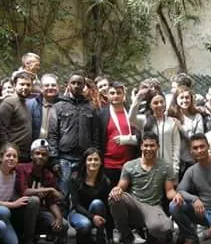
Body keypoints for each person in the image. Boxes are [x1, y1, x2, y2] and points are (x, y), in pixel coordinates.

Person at [108, 132, 177, 244]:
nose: (148, 148)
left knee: (164, 228)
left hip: (153, 207)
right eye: (146, 145)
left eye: (152, 145)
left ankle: (152, 235)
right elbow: (121, 187)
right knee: (115, 197)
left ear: (158, 147)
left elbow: (169, 191)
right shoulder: (129, 165)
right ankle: (127, 237)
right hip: (134, 205)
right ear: (141, 146)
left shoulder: (166, 167)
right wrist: (116, 190)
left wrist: (178, 195)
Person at [48, 71, 101, 214]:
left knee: (80, 195)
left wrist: (95, 154)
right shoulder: (58, 106)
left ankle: (80, 222)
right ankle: (62, 222)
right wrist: (54, 159)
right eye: (73, 83)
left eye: (79, 83)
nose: (76, 86)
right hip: (64, 157)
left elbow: (96, 134)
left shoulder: (91, 108)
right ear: (68, 85)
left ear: (84, 86)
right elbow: (52, 134)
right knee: (62, 194)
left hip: (84, 159)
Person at [0, 143, 41, 244]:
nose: (11, 158)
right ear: (1, 157)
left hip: (6, 211)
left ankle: (21, 238)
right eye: (8, 155)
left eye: (14, 156)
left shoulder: (14, 174)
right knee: (3, 211)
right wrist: (14, 204)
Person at [16, 139, 69, 244]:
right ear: (31, 155)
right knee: (34, 200)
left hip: (39, 213)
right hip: (20, 211)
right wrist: (48, 189)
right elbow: (24, 191)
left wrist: (58, 217)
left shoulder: (48, 175)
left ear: (47, 158)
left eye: (44, 154)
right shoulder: (22, 169)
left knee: (63, 225)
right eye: (37, 153)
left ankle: (41, 234)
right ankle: (28, 240)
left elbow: (51, 201)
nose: (40, 156)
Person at [130, 88, 181, 178]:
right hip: (149, 169)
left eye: (162, 102)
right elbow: (131, 118)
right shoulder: (144, 120)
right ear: (150, 105)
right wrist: (138, 97)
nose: (159, 105)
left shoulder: (172, 122)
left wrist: (175, 169)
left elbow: (176, 147)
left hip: (168, 169)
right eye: (156, 103)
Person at [69, 148, 112, 244]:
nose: (93, 162)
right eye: (90, 159)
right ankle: (83, 236)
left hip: (97, 211)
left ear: (101, 162)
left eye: (96, 159)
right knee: (85, 225)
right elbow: (76, 205)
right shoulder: (75, 178)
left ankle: (100, 239)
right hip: (78, 212)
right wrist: (92, 217)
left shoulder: (105, 181)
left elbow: (107, 207)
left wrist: (110, 236)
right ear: (85, 162)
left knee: (97, 203)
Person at [99, 81, 139, 185]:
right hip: (108, 165)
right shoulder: (101, 114)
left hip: (130, 164)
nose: (115, 96)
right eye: (112, 93)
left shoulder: (131, 113)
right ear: (107, 95)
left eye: (118, 93)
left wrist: (130, 139)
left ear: (124, 95)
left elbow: (141, 135)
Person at [167, 85, 204, 179]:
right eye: (181, 97)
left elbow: (198, 139)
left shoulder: (197, 116)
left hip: (190, 159)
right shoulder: (170, 116)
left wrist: (181, 128)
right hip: (173, 159)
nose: (185, 100)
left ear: (191, 99)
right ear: (176, 99)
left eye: (187, 97)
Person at [0, 72, 33, 162]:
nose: (25, 87)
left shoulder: (26, 104)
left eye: (28, 85)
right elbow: (1, 129)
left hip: (24, 153)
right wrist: (7, 150)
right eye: (22, 84)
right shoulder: (9, 103)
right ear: (14, 86)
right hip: (11, 154)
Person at [27, 73, 61, 140]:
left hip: (56, 144)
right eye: (46, 85)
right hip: (34, 143)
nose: (50, 87)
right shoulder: (30, 104)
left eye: (53, 85)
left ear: (58, 87)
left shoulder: (64, 105)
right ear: (41, 88)